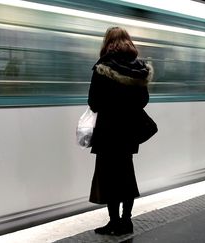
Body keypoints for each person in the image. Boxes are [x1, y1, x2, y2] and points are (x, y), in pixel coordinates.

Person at [87, 27, 153, 236]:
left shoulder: (103, 67)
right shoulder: (139, 69)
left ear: (107, 43)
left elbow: (93, 102)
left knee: (108, 177)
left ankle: (114, 222)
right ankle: (127, 221)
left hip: (108, 131)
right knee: (126, 175)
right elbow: (143, 101)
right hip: (128, 132)